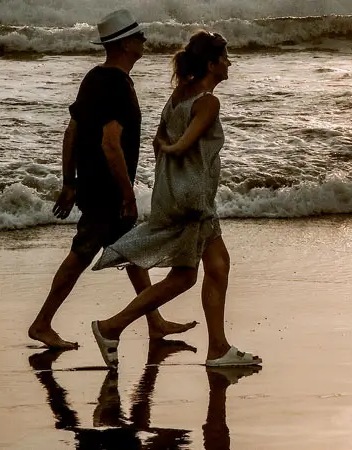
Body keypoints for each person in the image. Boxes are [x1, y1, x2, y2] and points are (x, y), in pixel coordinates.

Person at [90, 31, 262, 368]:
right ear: (211, 64)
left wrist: (168, 158)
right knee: (184, 277)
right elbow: (180, 143)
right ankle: (111, 326)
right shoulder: (208, 102)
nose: (229, 63)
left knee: (218, 265)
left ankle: (218, 348)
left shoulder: (178, 96)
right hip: (193, 199)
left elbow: (158, 140)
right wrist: (175, 150)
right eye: (225, 57)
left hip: (179, 196)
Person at [27, 9, 196, 349]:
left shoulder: (94, 78)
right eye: (139, 37)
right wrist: (127, 193)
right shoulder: (117, 85)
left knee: (131, 250)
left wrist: (70, 181)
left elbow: (71, 130)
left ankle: (155, 321)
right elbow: (110, 144)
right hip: (106, 189)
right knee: (81, 253)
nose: (144, 41)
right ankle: (42, 323)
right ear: (125, 45)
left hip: (91, 183)